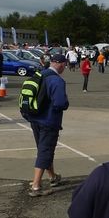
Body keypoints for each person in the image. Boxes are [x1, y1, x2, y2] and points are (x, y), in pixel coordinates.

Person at [27, 53, 69, 196]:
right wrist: (66, 103)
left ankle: (52, 176)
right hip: (49, 120)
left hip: (34, 118)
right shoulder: (57, 81)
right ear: (62, 64)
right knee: (45, 150)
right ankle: (36, 185)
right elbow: (60, 103)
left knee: (43, 148)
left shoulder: (40, 74)